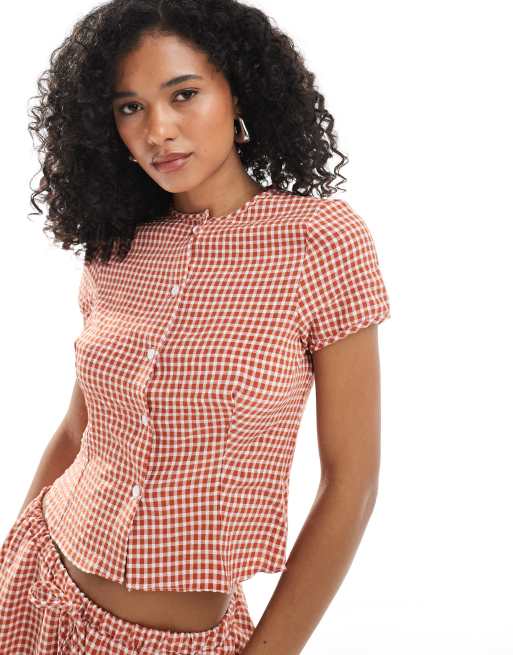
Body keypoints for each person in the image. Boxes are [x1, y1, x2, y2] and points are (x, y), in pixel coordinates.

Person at [0, 0, 392, 653]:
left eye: (183, 94)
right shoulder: (116, 248)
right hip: (32, 586)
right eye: (130, 107)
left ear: (238, 92)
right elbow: (76, 429)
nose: (158, 130)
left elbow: (352, 484)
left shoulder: (320, 241)